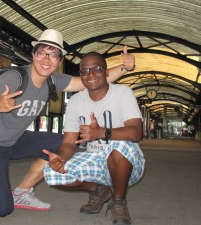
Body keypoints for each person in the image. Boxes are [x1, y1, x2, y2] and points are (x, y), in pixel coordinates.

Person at [0, 29, 136, 217]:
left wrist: (124, 67)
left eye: (53, 55)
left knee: (61, 143)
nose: (46, 60)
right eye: (41, 53)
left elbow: (89, 79)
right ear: (33, 55)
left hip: (15, 139)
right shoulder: (14, 78)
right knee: (0, 207)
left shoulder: (53, 80)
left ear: (59, 61)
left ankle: (22, 192)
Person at [43, 52, 145, 225]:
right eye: (85, 71)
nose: (91, 75)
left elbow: (136, 133)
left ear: (106, 72)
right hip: (95, 161)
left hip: (127, 163)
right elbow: (69, 142)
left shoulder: (122, 93)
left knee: (118, 146)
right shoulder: (75, 102)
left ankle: (118, 201)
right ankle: (99, 189)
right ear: (81, 76)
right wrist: (61, 159)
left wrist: (101, 133)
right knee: (51, 173)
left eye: (96, 69)